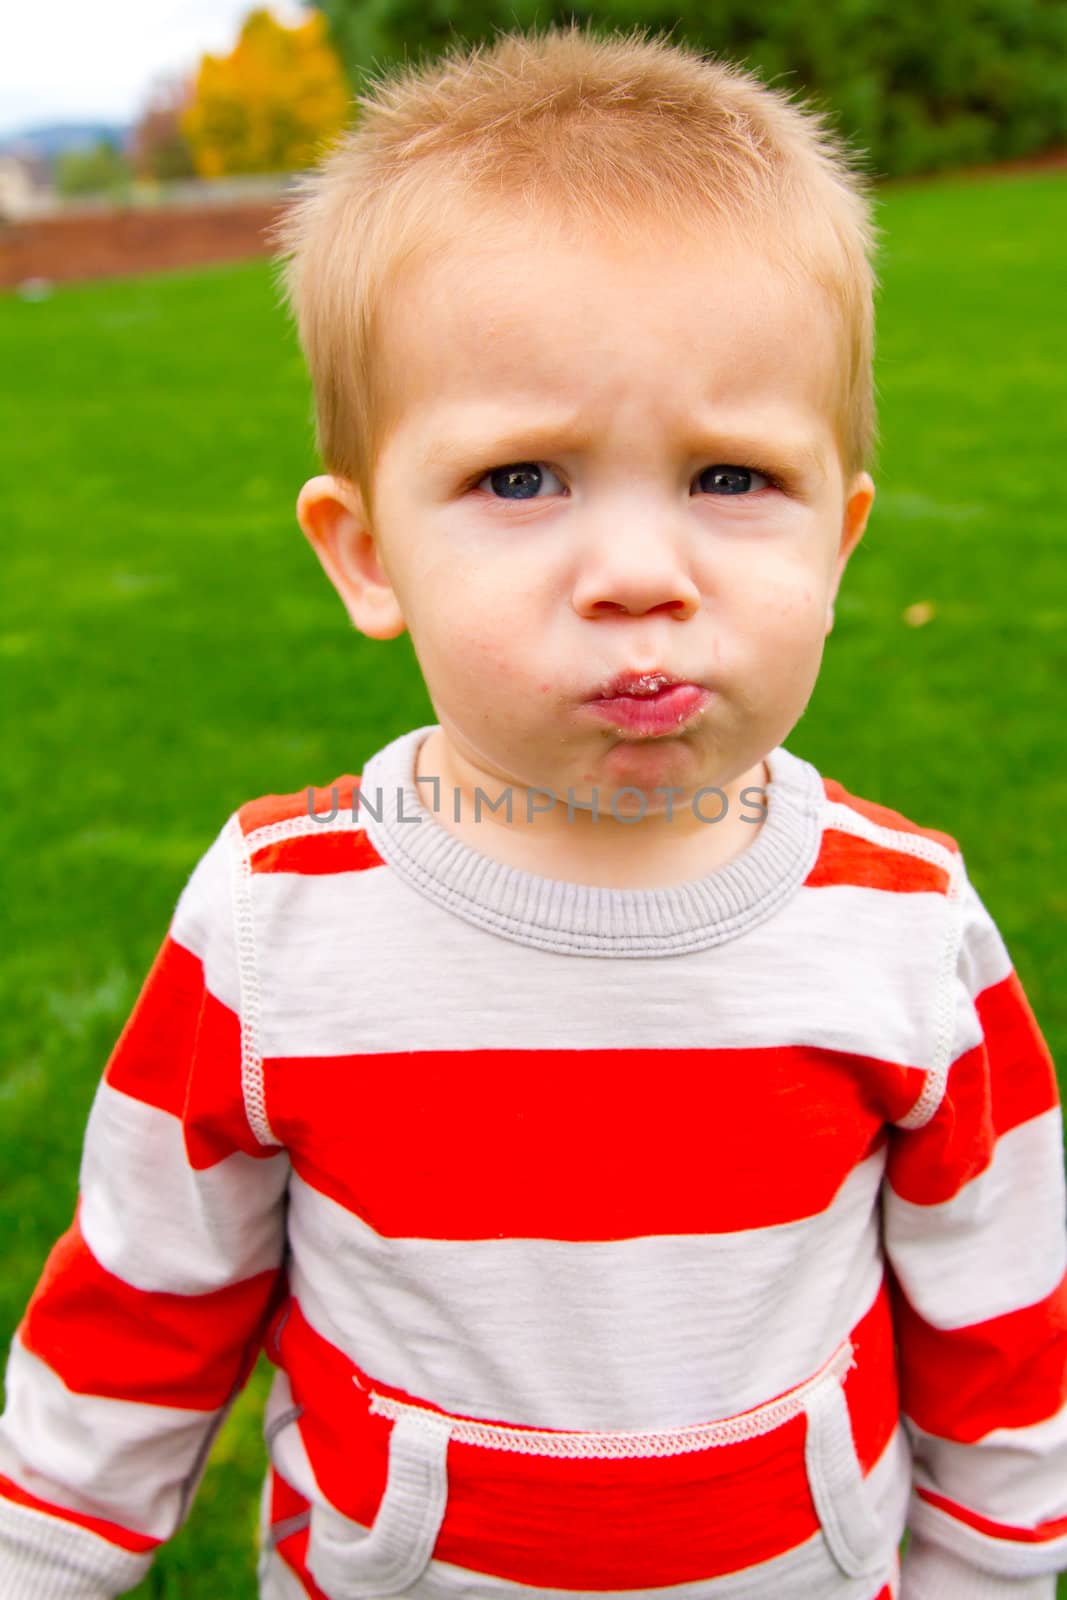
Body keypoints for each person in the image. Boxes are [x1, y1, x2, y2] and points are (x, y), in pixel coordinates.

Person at [1, 21, 1064, 1600]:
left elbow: (999, 1318)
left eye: (727, 479)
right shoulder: (277, 923)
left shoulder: (901, 922)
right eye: (521, 481)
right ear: (366, 553)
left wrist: (989, 1578)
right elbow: (146, 1304)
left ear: (841, 538)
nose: (640, 574)